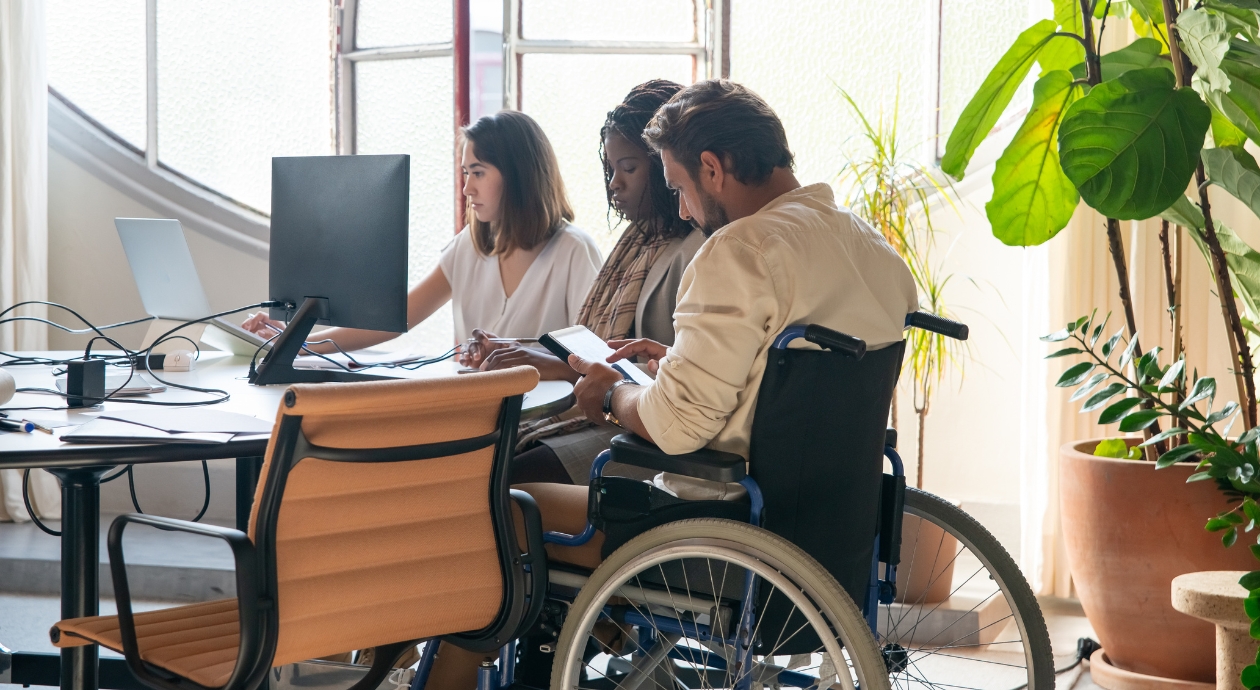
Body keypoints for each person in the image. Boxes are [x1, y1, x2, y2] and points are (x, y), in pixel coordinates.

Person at [564, 79, 919, 500]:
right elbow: (798, 393)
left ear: (712, 169)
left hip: (714, 515)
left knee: (519, 503)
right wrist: (685, 363)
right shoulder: (875, 248)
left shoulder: (738, 250)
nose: (682, 210)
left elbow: (676, 427)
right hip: (831, 510)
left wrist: (611, 393)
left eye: (679, 188)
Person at [472, 80, 705, 485]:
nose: (615, 183)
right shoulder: (638, 241)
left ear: (667, 164)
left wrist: (562, 368)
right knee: (485, 457)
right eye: (611, 169)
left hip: (645, 430)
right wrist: (528, 352)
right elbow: (601, 344)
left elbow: (674, 376)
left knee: (504, 475)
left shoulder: (696, 250)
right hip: (618, 414)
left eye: (629, 168)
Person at [241, 110, 602, 353]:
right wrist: (299, 343)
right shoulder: (470, 247)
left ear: (519, 175)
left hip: (539, 418)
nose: (467, 189)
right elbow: (395, 320)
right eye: (466, 173)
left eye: (478, 173)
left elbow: (593, 356)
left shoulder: (573, 251)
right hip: (475, 411)